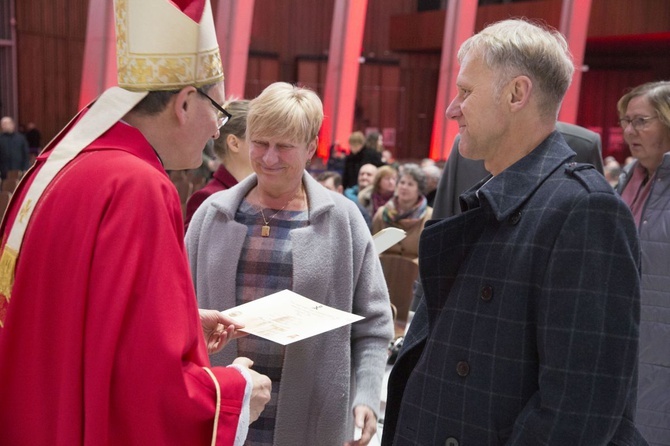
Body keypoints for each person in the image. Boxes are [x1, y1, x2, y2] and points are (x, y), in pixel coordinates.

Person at [0, 1, 271, 444]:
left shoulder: (70, 165)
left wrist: (181, 319)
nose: (217, 132)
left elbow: (78, 310)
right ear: (184, 103)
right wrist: (233, 392)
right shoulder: (139, 186)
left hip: (37, 411)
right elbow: (146, 383)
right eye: (218, 112)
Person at [382, 19, 645, 445]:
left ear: (516, 94)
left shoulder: (585, 210)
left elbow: (579, 409)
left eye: (466, 92)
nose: (452, 108)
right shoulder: (491, 196)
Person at [186, 82, 394, 446]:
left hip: (313, 414)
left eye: (284, 146)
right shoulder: (211, 216)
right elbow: (174, 311)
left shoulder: (342, 220)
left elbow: (374, 326)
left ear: (311, 147)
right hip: (222, 406)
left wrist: (366, 395)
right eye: (260, 143)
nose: (269, 158)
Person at [615, 81, 670, 446]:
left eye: (641, 121)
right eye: (625, 121)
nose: (629, 131)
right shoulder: (627, 180)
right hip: (625, 340)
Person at [432, 121, 605, 219]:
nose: (453, 110)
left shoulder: (583, 145)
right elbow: (442, 216)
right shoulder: (464, 145)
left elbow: (595, 220)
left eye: (468, 91)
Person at [184, 99, 253, 229]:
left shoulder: (261, 193)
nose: (268, 150)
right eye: (259, 140)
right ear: (234, 143)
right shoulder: (209, 198)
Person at [371, 163, 432, 262]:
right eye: (402, 182)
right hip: (384, 270)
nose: (404, 187)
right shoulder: (382, 213)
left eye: (410, 184)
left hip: (415, 272)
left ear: (419, 190)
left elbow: (430, 253)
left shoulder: (429, 216)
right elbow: (373, 249)